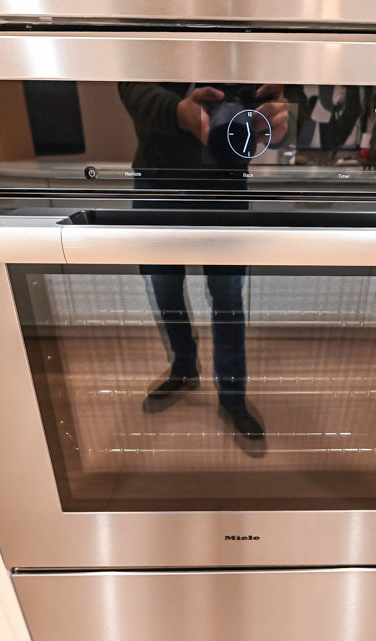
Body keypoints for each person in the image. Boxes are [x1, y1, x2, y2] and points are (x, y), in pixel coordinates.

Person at [117, 83, 289, 455]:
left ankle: (230, 394)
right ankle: (185, 368)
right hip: (158, 181)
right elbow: (131, 85)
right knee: (163, 286)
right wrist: (176, 112)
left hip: (221, 182)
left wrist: (282, 116)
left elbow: (282, 99)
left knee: (226, 294)